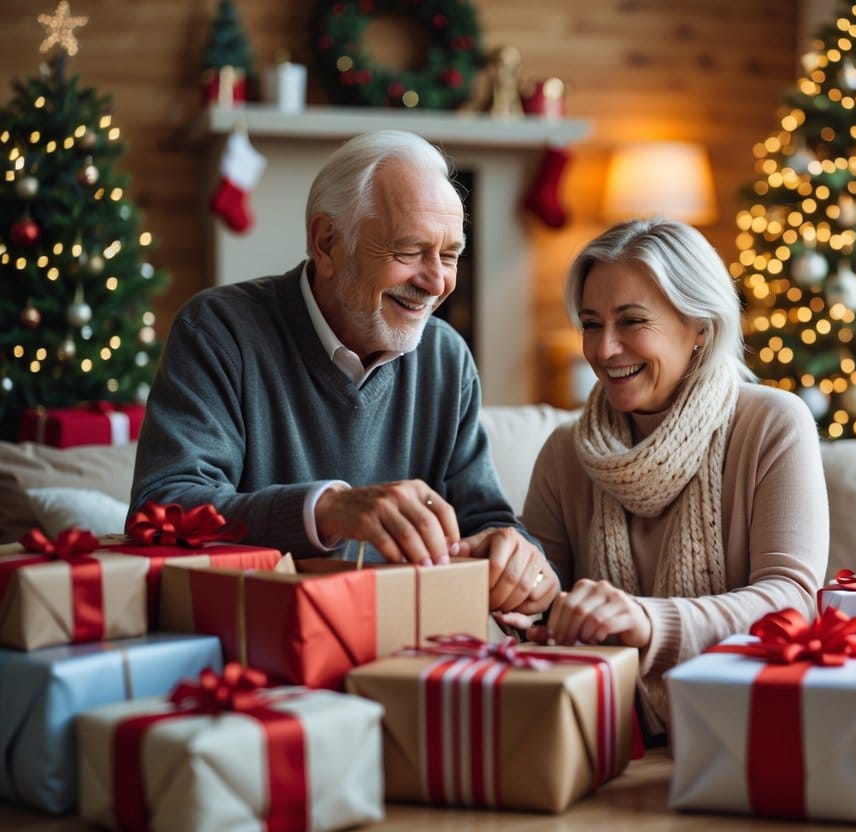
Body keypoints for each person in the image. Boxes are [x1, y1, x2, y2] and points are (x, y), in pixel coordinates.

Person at [130, 129, 556, 618]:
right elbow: (161, 509)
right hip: (255, 640)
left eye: (450, 255)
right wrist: (326, 509)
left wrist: (520, 557)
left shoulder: (446, 358)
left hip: (409, 642)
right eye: (408, 251)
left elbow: (486, 519)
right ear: (327, 243)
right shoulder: (220, 330)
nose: (436, 281)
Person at [516, 218, 829, 738]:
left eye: (632, 321)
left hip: (743, 731)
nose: (604, 349)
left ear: (700, 326)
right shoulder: (564, 453)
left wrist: (649, 622)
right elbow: (539, 612)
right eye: (591, 324)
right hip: (599, 737)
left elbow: (792, 599)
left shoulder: (773, 423)